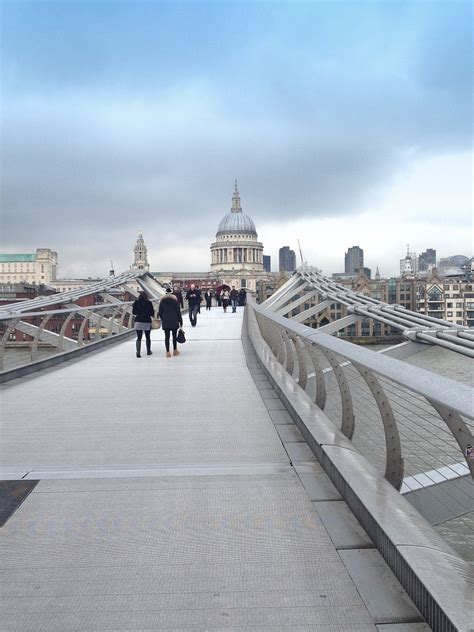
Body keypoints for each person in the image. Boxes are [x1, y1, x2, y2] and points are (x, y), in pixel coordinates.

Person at [158, 287, 183, 357]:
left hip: (166, 321)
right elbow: (178, 312)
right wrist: (180, 321)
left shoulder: (162, 302)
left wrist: (163, 319)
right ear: (172, 294)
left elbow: (160, 312)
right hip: (174, 321)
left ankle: (167, 352)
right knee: (174, 336)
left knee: (167, 337)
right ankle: (175, 351)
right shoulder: (175, 301)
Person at [132, 291, 154, 358]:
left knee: (139, 337)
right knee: (148, 337)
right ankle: (148, 351)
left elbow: (134, 312)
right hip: (147, 321)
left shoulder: (136, 302)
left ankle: (138, 352)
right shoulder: (149, 303)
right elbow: (151, 313)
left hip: (138, 321)